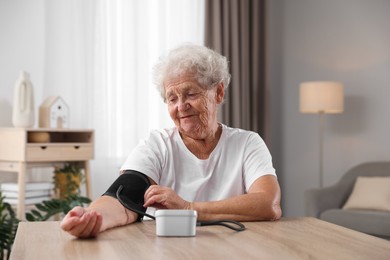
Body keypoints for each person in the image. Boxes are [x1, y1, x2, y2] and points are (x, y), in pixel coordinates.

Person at [60, 44, 282, 238]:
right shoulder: (157, 145)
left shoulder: (247, 143)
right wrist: (92, 217)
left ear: (219, 93)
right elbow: (123, 198)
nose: (181, 106)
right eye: (172, 98)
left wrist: (187, 207)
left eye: (191, 94)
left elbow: (268, 204)